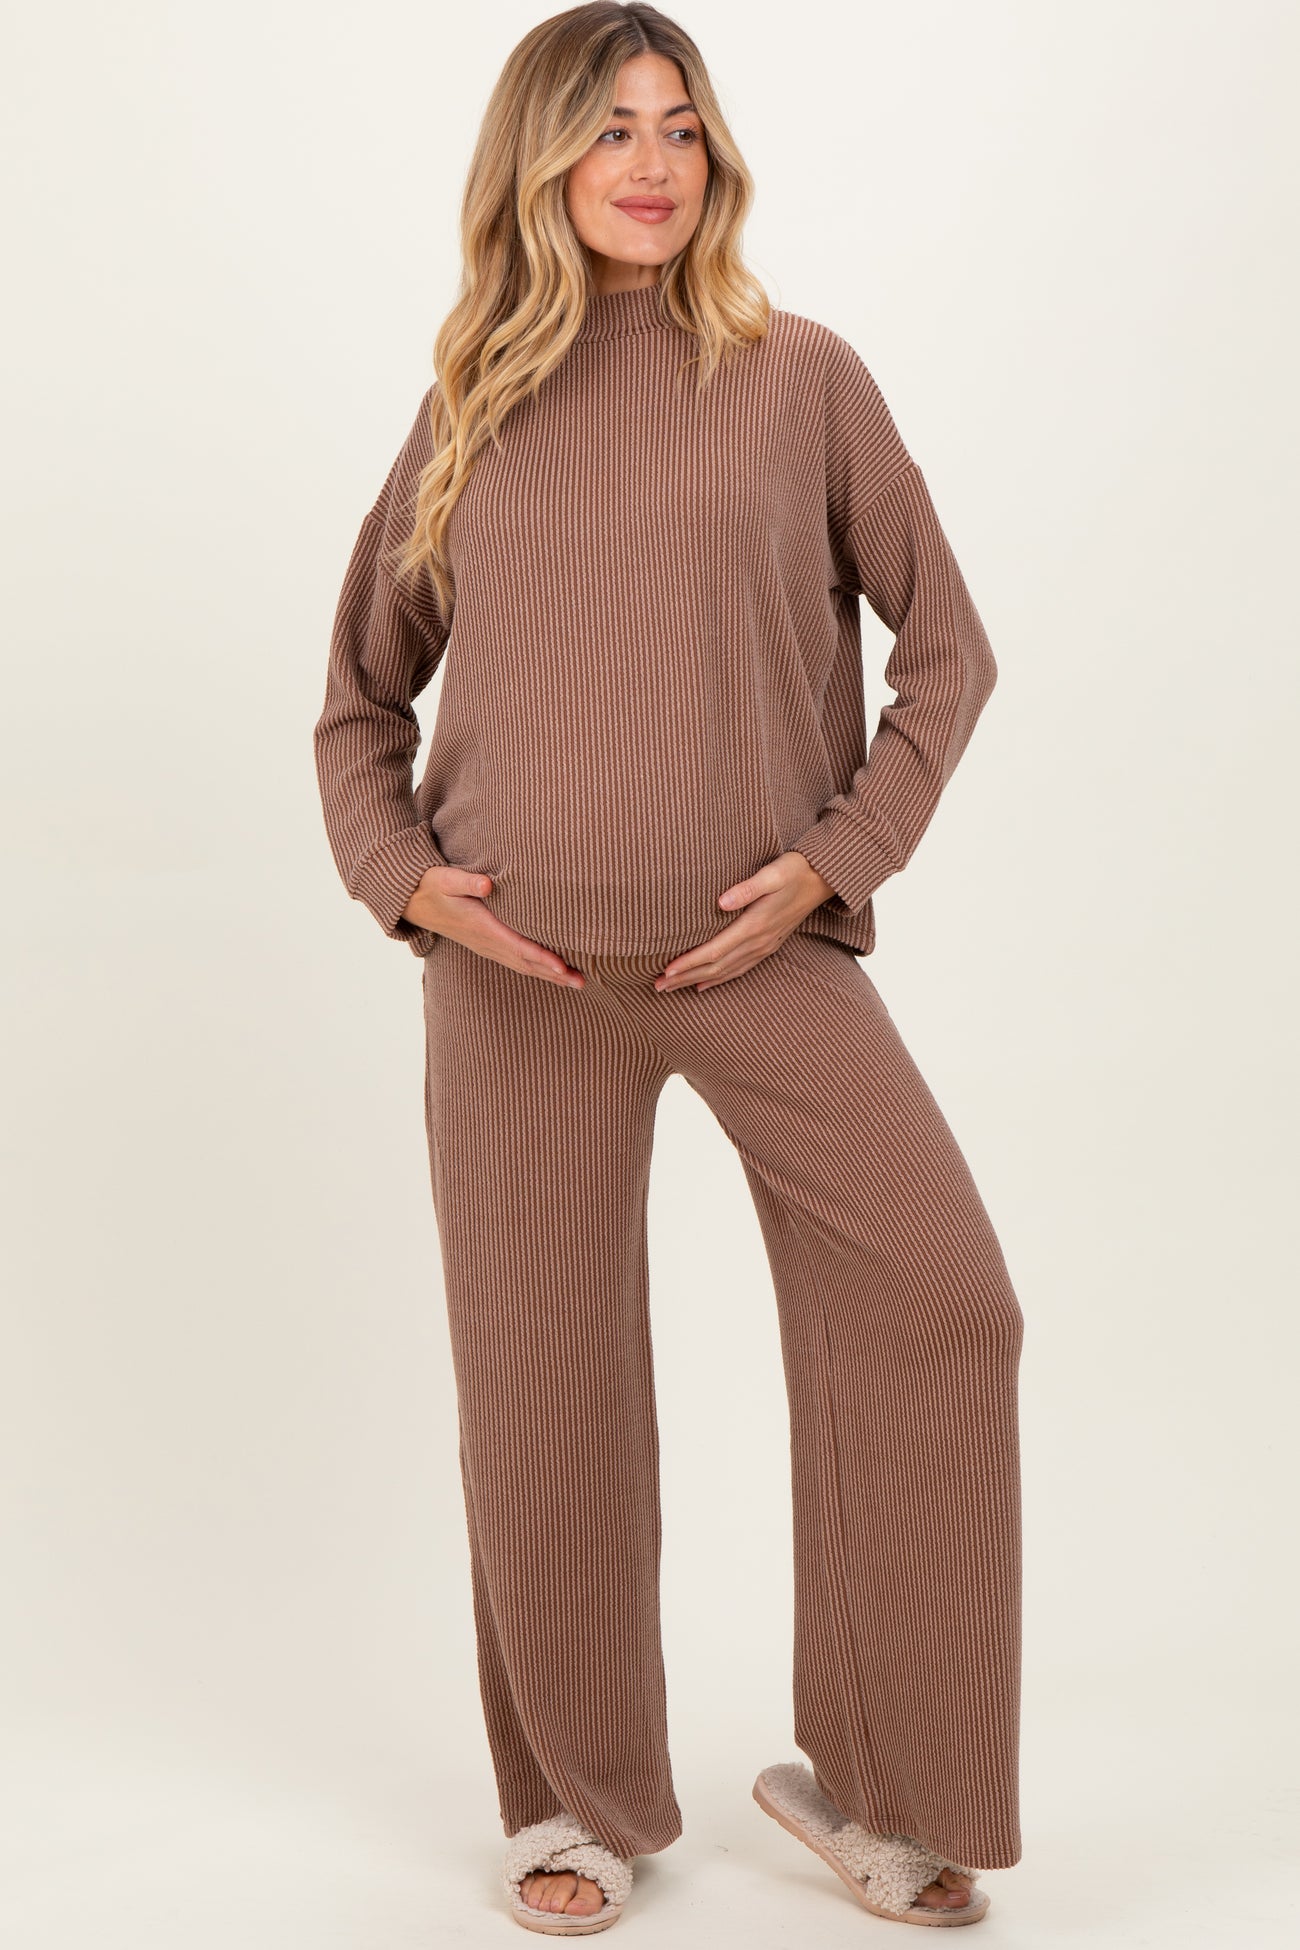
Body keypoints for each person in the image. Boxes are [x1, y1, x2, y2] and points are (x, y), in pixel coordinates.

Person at [314, 3, 1024, 1934]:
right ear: (539, 164)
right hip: (518, 980)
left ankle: (880, 1780)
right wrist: (410, 884)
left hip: (760, 959)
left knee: (944, 1302)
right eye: (611, 128)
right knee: (546, 1387)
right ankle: (577, 1798)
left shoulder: (803, 378)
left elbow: (948, 655)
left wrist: (835, 861)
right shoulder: (472, 400)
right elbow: (359, 701)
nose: (651, 162)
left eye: (681, 125)